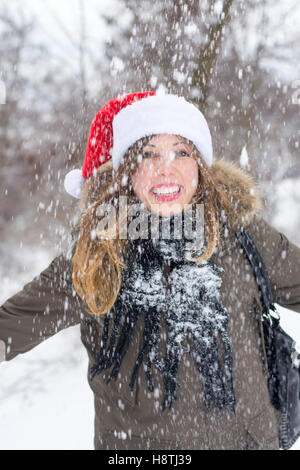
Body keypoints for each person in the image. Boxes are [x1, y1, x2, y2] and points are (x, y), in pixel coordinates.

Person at [1, 91, 300, 450]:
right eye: (148, 154)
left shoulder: (242, 233)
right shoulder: (99, 253)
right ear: (128, 170)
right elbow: (11, 326)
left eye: (182, 151)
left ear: (201, 166)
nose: (166, 166)